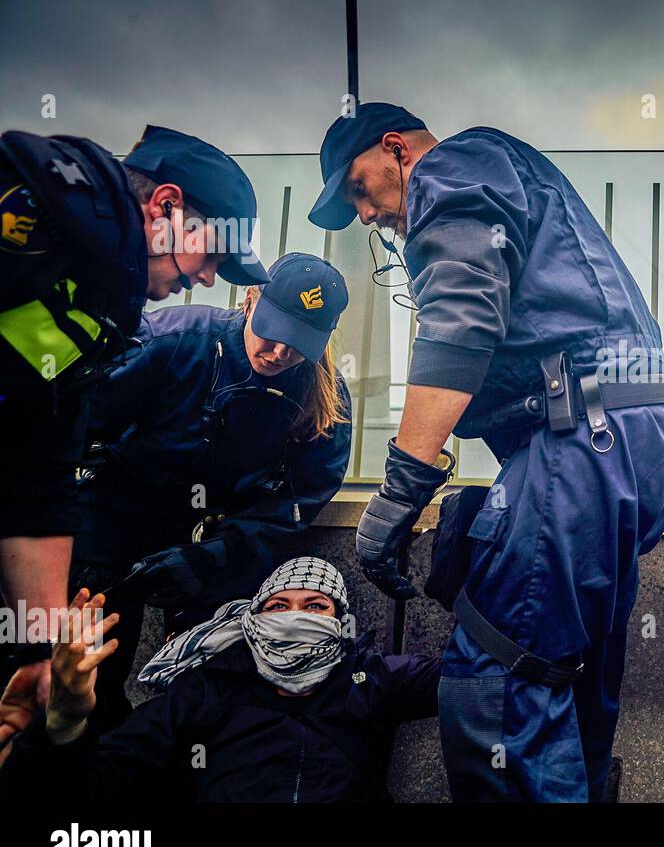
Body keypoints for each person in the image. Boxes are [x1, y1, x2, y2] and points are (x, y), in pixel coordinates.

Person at [308, 103, 664, 802]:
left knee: (498, 680)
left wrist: (400, 491)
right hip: (622, 438)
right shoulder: (508, 171)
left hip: (581, 441)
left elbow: (460, 321)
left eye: (359, 189)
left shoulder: (451, 167)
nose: (364, 215)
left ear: (395, 149)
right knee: (570, 677)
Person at [0, 125, 268, 731]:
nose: (208, 279)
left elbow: (38, 481)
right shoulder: (56, 197)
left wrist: (41, 653)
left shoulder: (102, 318)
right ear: (167, 207)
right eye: (213, 257)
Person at [68, 253, 352, 730]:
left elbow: (303, 496)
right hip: (115, 518)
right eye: (274, 332)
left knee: (208, 689)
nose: (281, 354)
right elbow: (76, 425)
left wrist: (217, 554)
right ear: (249, 300)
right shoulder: (172, 341)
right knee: (92, 672)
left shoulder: (324, 395)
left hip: (217, 541)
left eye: (300, 344)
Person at [0, 559, 441, 802]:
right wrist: (64, 722)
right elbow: (95, 785)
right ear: (252, 622)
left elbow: (473, 680)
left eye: (315, 607)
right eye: (278, 606)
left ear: (340, 621)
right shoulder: (207, 689)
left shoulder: (370, 678)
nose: (295, 618)